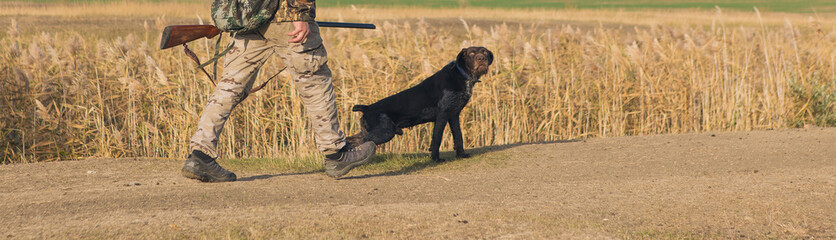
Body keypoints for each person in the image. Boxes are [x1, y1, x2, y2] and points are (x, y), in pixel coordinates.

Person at [181, 0, 375, 182]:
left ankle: (200, 154)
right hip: (286, 18)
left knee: (229, 87)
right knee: (315, 82)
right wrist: (300, 13)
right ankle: (336, 154)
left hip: (248, 17)